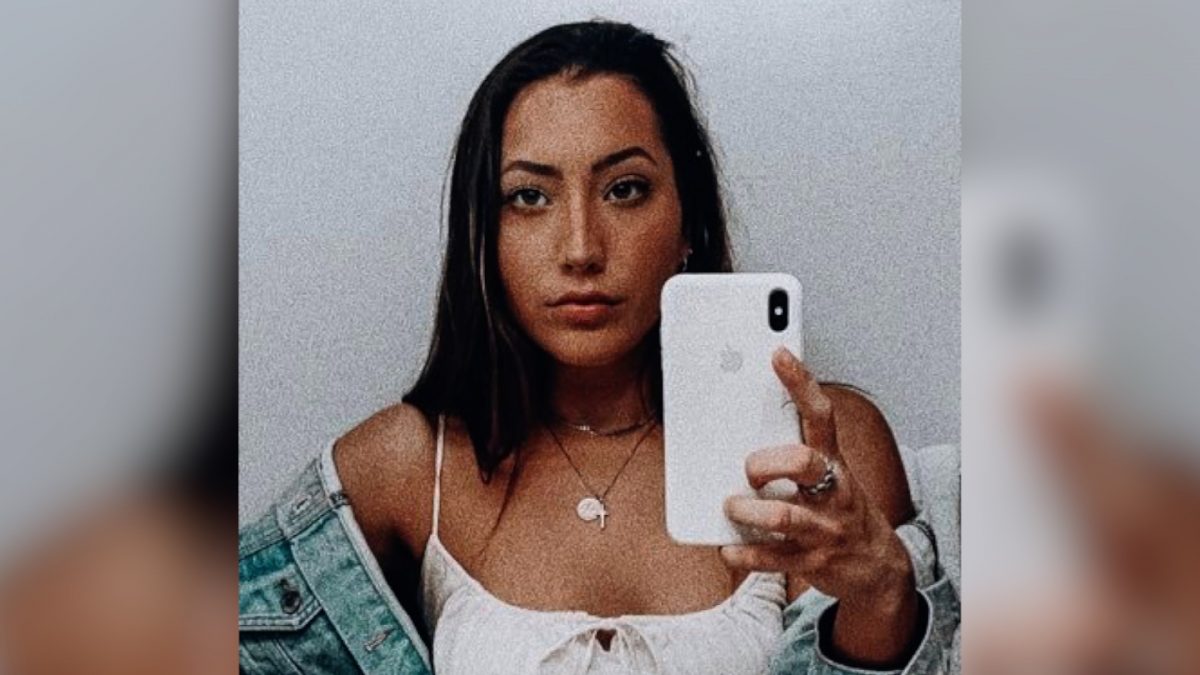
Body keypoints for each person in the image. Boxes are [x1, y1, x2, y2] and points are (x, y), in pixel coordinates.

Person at [238, 20, 958, 674]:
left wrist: (882, 593)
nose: (581, 248)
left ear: (687, 221)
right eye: (530, 197)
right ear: (485, 235)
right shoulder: (412, 463)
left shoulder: (815, 450)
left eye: (625, 189)